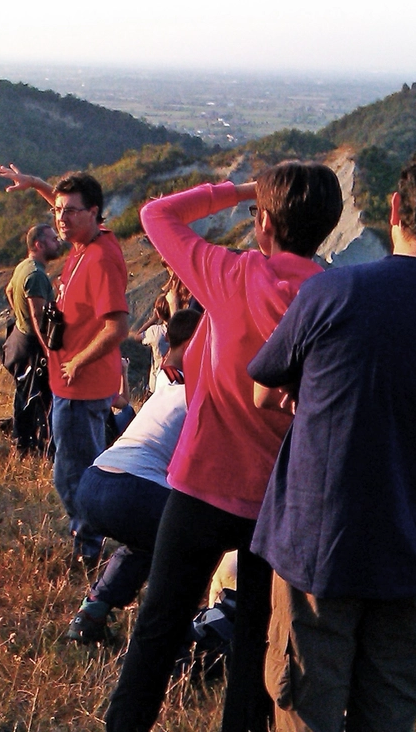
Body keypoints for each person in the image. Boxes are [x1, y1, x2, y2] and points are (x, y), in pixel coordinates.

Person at [248, 146, 416, 732]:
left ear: (393, 207)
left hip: (320, 549)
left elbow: (264, 390)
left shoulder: (331, 294)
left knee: (305, 713)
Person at [106, 161, 343, 732]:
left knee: (159, 628)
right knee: (258, 645)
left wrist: (239, 189)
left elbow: (155, 214)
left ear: (262, 223)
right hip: (279, 501)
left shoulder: (230, 273)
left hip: (201, 482)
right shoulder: (334, 298)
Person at [0, 164, 129, 570]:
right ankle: (94, 537)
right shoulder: (88, 241)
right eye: (57, 212)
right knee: (80, 469)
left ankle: (90, 548)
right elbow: (68, 204)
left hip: (80, 385)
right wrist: (37, 185)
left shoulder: (102, 258)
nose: (61, 219)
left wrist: (77, 361)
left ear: (95, 212)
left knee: (73, 477)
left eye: (71, 212)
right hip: (72, 382)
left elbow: (118, 326)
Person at [67, 308, 201, 643]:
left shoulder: (166, 385)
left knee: (144, 543)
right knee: (188, 542)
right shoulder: (200, 395)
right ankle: (173, 637)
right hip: (133, 491)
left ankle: (90, 613)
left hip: (94, 482)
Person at [3, 222, 62, 456]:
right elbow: (38, 316)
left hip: (19, 338)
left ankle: (23, 445)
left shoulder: (23, 267)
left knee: (24, 395)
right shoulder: (36, 274)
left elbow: (9, 291)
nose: (57, 242)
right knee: (39, 398)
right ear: (39, 244)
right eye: (52, 239)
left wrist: (20, 316)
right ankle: (34, 448)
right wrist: (48, 347)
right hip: (31, 345)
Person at [136, 294, 172, 395]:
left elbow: (137, 336)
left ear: (158, 313)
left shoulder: (154, 331)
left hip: (156, 383)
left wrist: (153, 319)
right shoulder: (181, 330)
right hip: (175, 381)